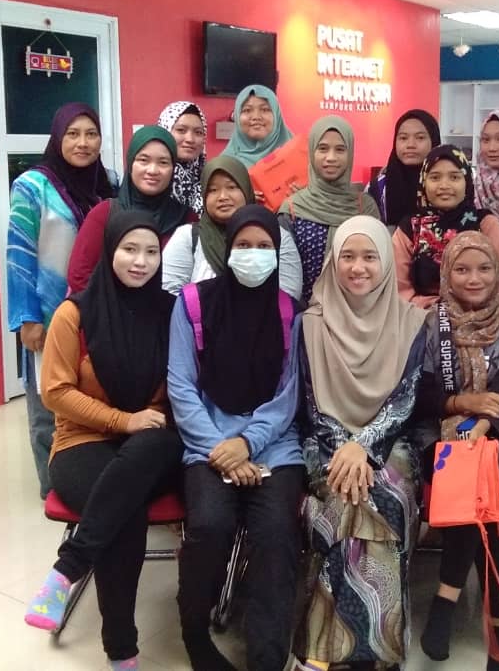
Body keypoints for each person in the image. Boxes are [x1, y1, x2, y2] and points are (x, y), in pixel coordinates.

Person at [24, 210, 183, 671]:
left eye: (151, 252)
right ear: (109, 250)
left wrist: (141, 423)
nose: (141, 262)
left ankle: (68, 568)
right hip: (82, 442)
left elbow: (182, 386)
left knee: (157, 443)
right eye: (129, 249)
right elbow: (55, 392)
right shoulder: (74, 314)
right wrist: (123, 420)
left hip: (150, 443)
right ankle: (122, 650)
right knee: (124, 510)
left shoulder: (170, 312)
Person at [168, 205, 304, 671]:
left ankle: (267, 656)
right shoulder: (192, 304)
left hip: (273, 446)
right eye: (243, 245)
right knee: (209, 525)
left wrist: (246, 444)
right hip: (207, 442)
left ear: (277, 253)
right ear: (227, 249)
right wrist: (219, 448)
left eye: (264, 246)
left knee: (277, 532)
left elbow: (288, 395)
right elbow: (181, 386)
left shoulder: (288, 312)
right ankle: (195, 634)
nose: (253, 254)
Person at [295, 216, 429, 671]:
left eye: (370, 256)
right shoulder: (310, 325)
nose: (358, 267)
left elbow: (406, 400)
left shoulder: (413, 322)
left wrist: (364, 447)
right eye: (347, 257)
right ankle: (354, 648)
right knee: (342, 494)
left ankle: (341, 649)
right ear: (332, 262)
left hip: (391, 440)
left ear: (387, 262)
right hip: (324, 441)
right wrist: (345, 449)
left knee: (384, 493)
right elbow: (310, 404)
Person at [416, 231, 499, 671]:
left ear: (498, 272)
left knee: (483, 474)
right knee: (483, 489)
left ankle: (445, 599)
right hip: (438, 431)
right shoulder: (432, 322)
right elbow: (424, 393)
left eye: (484, 268)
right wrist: (463, 405)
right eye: (462, 269)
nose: (474, 278)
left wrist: (478, 428)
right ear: (447, 273)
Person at [8, 102, 114, 497]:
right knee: (47, 403)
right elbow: (19, 253)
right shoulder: (32, 186)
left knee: (89, 397)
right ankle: (54, 489)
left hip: (100, 313)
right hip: (48, 313)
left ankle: (90, 477)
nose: (83, 143)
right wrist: (26, 318)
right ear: (57, 138)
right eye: (73, 134)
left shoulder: (109, 183)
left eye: (91, 134)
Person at [66, 125, 189, 293]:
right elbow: (79, 275)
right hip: (107, 308)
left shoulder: (186, 219)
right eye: (143, 160)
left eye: (163, 162)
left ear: (173, 168)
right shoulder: (105, 214)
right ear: (131, 164)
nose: (153, 170)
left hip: (169, 308)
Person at [160, 155, 302, 298]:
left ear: (246, 189)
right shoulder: (189, 237)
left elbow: (288, 295)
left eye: (231, 187)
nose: (222, 196)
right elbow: (170, 291)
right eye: (213, 190)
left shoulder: (276, 235)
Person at [393, 144, 499, 309]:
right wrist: (440, 311)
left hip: (481, 316)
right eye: (435, 177)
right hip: (421, 317)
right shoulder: (410, 229)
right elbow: (400, 292)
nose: (444, 185)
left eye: (454, 177)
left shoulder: (486, 225)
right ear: (423, 182)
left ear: (467, 182)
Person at [279, 115, 381, 302]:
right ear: (311, 152)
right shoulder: (293, 208)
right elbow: (285, 273)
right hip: (304, 313)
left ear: (350, 154)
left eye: (340, 149)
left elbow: (377, 265)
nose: (331, 157)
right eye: (323, 148)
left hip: (357, 310)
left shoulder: (364, 207)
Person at [368, 108, 441, 227]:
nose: (410, 145)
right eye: (403, 138)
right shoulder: (378, 188)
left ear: (434, 140)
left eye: (420, 138)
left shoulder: (446, 184)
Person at [221, 84, 293, 168]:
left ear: (276, 115)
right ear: (237, 116)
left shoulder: (298, 156)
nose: (256, 117)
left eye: (265, 110)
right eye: (247, 110)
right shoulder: (225, 166)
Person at [157, 100, 208, 216]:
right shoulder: (151, 176)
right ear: (165, 130)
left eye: (198, 132)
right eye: (181, 130)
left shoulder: (209, 177)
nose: (190, 139)